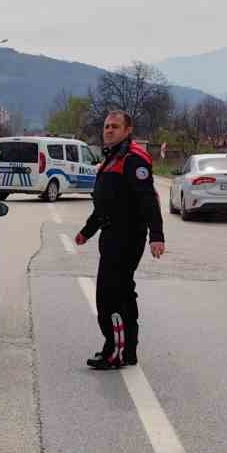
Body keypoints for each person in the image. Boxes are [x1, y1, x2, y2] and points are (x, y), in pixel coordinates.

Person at [74, 111, 165, 370]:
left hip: (126, 238)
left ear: (128, 130)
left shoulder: (132, 159)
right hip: (113, 235)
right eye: (106, 126)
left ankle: (114, 351)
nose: (109, 130)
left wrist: (156, 236)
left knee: (109, 296)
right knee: (123, 293)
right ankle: (127, 351)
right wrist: (87, 232)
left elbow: (148, 200)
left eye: (115, 126)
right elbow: (106, 206)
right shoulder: (114, 156)